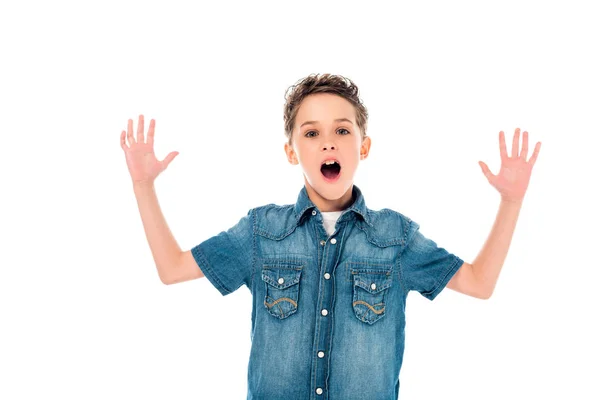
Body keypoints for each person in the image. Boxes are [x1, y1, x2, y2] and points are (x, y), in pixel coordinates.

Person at [120, 73, 541, 399]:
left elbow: (479, 283)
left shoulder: (395, 238)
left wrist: (511, 201)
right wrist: (143, 187)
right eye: (311, 133)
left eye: (342, 131)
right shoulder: (261, 231)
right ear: (291, 151)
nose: (328, 145)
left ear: (364, 146)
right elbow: (172, 269)